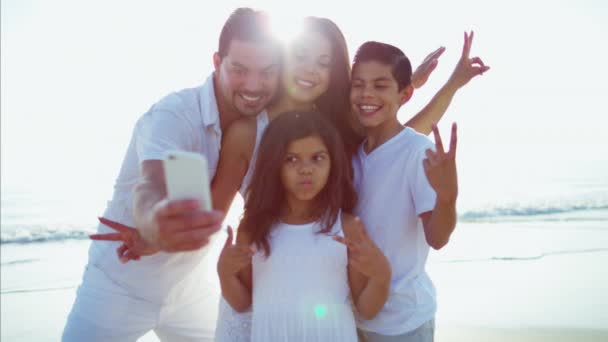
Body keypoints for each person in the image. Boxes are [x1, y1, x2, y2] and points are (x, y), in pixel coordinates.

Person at [62, 8, 283, 342]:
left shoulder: (261, 129)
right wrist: (155, 227)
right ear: (217, 62)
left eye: (266, 72)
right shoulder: (176, 115)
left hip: (190, 289)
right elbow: (152, 185)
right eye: (240, 69)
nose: (254, 85)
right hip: (117, 286)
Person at [347, 35, 487, 341]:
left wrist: (448, 197)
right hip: (355, 316)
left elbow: (437, 238)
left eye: (380, 85)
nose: (366, 93)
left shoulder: (417, 151)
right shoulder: (352, 152)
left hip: (405, 322)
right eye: (358, 84)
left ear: (405, 93)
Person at [218, 110, 392, 341]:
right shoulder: (252, 229)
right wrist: (224, 274)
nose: (306, 169)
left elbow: (367, 309)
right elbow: (243, 303)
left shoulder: (347, 227)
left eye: (318, 158)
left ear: (333, 163)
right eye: (291, 159)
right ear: (274, 165)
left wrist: (382, 276)